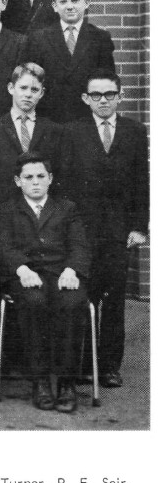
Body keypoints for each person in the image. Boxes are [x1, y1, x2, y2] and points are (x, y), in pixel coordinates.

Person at [62, 71, 148, 389]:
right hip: (83, 230)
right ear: (85, 99)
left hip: (118, 231)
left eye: (109, 94)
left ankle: (110, 365)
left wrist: (139, 227)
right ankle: (85, 363)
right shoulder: (73, 132)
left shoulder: (134, 131)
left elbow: (141, 180)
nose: (103, 101)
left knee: (113, 299)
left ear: (119, 97)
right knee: (84, 294)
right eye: (96, 95)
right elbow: (65, 182)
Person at [0, 152, 89, 413]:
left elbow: (79, 244)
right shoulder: (6, 209)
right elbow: (2, 246)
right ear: (17, 181)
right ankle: (40, 381)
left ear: (50, 178)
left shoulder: (66, 208)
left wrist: (71, 269)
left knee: (72, 303)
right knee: (34, 301)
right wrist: (21, 269)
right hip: (25, 274)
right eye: (28, 177)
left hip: (61, 274)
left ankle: (66, 383)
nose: (35, 182)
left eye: (41, 176)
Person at [22, 0, 116, 123]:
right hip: (48, 120)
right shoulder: (38, 39)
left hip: (87, 120)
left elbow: (107, 83)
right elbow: (30, 82)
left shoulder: (100, 38)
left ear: (86, 3)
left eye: (75, 0)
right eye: (63, 2)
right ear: (54, 6)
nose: (69, 6)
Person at [0, 62, 65, 210]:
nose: (28, 94)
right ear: (11, 88)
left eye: (34, 89)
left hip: (41, 211)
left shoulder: (53, 130)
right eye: (23, 88)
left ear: (42, 93)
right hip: (2, 210)